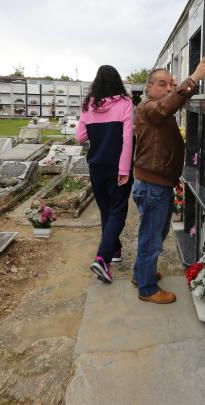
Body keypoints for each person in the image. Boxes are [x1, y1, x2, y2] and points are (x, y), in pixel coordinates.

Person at [132, 53, 205, 303]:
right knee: (151, 239)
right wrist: (193, 79)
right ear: (149, 88)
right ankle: (147, 289)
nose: (168, 87)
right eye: (162, 83)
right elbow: (165, 106)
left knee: (153, 236)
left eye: (171, 83)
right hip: (152, 186)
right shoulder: (149, 107)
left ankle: (141, 274)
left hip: (159, 184)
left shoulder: (156, 108)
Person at [75, 65, 133, 283]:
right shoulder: (125, 103)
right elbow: (127, 140)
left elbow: (79, 137)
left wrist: (88, 121)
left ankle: (115, 251)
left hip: (96, 167)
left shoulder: (88, 105)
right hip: (118, 166)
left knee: (106, 211)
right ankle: (102, 258)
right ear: (117, 81)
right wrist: (125, 169)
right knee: (117, 213)